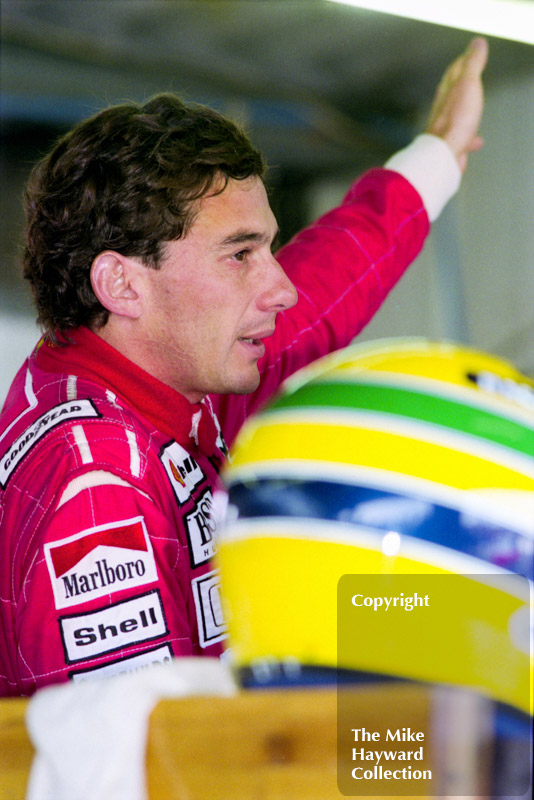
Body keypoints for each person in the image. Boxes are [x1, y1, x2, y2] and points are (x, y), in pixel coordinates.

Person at [0, 38, 488, 696]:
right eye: (240, 254)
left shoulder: (155, 378)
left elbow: (323, 290)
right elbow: (152, 766)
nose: (279, 286)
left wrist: (438, 154)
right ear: (122, 284)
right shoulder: (98, 485)